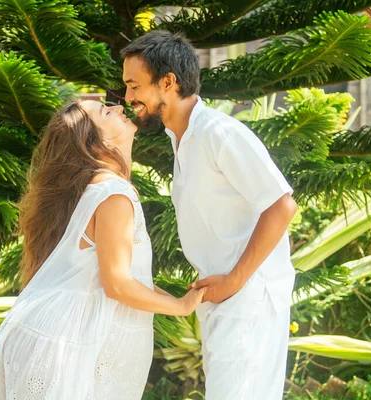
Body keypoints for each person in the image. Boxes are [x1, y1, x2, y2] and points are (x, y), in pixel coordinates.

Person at [0, 100, 205, 399]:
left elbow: (126, 278)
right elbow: (117, 284)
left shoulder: (101, 187)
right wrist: (181, 307)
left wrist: (187, 299)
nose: (119, 108)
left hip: (52, 337)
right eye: (105, 112)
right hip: (62, 345)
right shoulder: (114, 193)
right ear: (96, 142)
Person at [121, 30, 298, 399]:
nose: (128, 98)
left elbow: (281, 205)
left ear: (167, 82)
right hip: (226, 298)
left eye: (134, 86)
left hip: (248, 297)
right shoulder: (182, 137)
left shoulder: (219, 133)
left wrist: (234, 280)